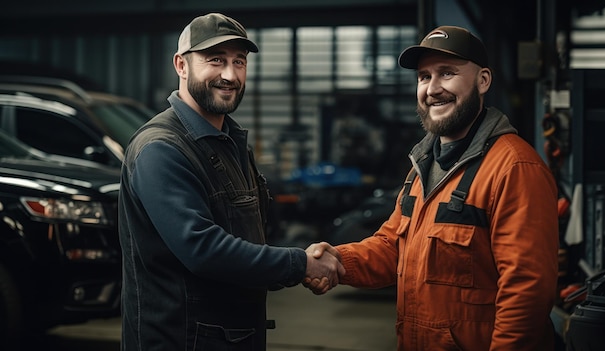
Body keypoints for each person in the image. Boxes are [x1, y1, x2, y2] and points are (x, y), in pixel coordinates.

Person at [305, 25, 559, 350]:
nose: (432, 88)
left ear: (483, 81)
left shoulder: (515, 168)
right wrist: (338, 260)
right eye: (424, 77)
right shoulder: (424, 164)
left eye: (447, 73)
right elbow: (393, 245)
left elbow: (527, 290)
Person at [118, 13, 344, 351]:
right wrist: (300, 264)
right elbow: (202, 249)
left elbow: (249, 233)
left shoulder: (229, 141)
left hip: (231, 337)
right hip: (181, 341)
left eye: (239, 62)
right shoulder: (160, 149)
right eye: (215, 60)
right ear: (181, 65)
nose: (230, 74)